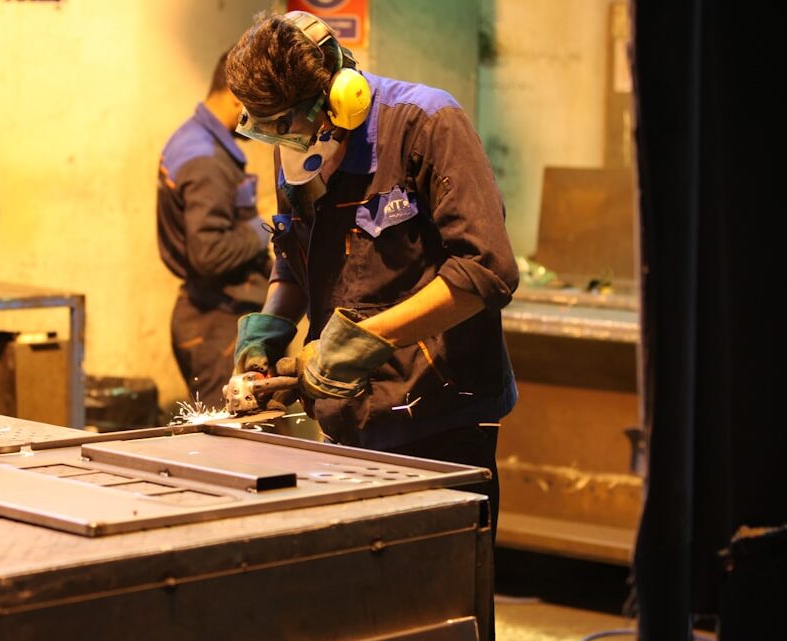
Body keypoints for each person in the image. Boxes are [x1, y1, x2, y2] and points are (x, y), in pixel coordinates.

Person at [225, 11, 519, 538]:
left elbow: (487, 268)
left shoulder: (426, 124)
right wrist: (269, 331)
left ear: (339, 97)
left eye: (288, 125)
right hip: (347, 421)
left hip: (439, 421)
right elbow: (294, 255)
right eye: (267, 129)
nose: (283, 142)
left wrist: (365, 341)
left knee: (441, 602)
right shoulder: (294, 145)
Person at [157, 49, 272, 408]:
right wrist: (262, 229)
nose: (269, 121)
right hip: (216, 325)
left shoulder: (193, 140)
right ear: (238, 96)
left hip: (208, 317)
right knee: (230, 452)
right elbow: (209, 253)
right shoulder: (206, 160)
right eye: (264, 106)